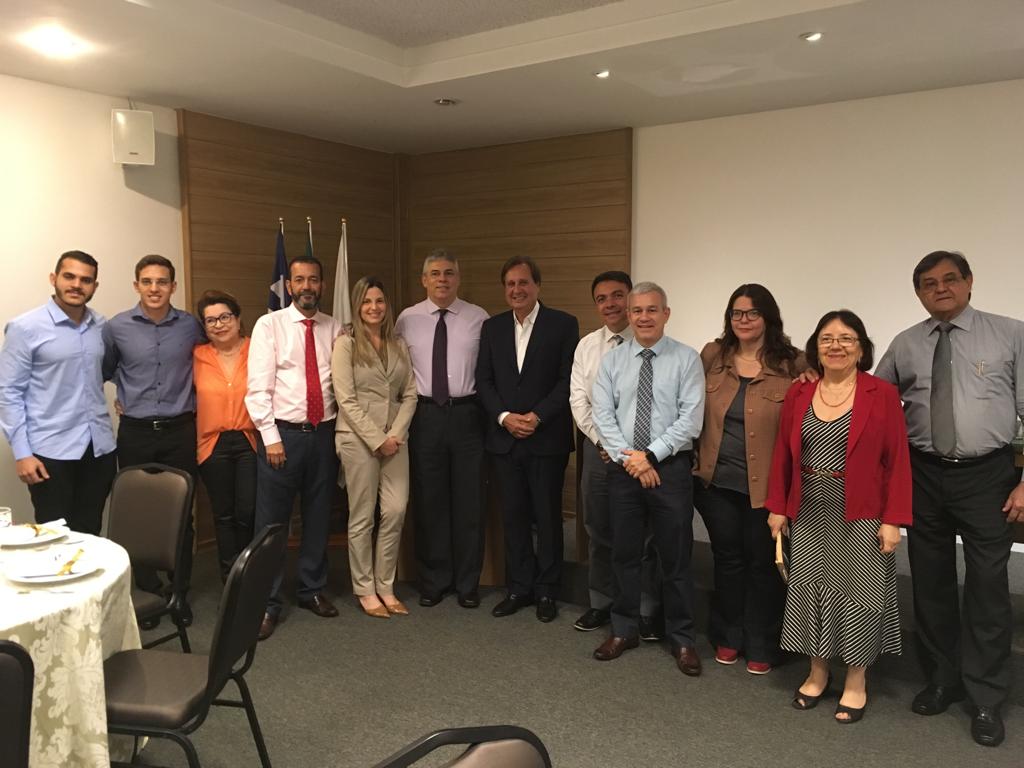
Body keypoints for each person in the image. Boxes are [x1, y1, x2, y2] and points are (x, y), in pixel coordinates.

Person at [875, 251, 1024, 747]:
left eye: (949, 279)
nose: (940, 288)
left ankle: (986, 695)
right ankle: (942, 677)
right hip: (923, 474)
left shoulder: (1010, 334)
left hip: (988, 477)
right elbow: (874, 400)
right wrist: (819, 378)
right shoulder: (906, 343)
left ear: (969, 282)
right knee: (931, 581)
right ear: (918, 292)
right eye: (928, 283)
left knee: (987, 586)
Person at [766, 309, 912, 723]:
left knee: (861, 596)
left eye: (846, 339)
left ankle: (856, 680)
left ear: (861, 348)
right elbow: (783, 454)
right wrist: (778, 507)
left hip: (863, 511)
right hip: (810, 508)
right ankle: (817, 672)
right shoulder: (800, 392)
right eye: (827, 339)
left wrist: (893, 520)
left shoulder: (882, 393)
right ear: (816, 347)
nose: (836, 346)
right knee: (811, 590)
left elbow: (898, 461)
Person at [591, 282, 706, 676]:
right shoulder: (613, 361)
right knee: (624, 554)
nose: (644, 317)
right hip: (625, 468)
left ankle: (682, 638)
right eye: (637, 310)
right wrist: (633, 460)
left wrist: (651, 455)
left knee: (675, 557)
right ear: (629, 315)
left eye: (652, 309)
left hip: (669, 469)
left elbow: (690, 419)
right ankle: (623, 630)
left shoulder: (687, 359)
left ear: (666, 314)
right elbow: (603, 415)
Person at [693, 284, 804, 674]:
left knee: (763, 563)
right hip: (717, 483)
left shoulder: (792, 363)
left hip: (766, 487)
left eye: (753, 313)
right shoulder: (713, 356)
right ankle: (728, 635)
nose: (744, 320)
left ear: (768, 318)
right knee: (727, 559)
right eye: (737, 313)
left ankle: (762, 641)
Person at [475, 256, 578, 623]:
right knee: (513, 516)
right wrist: (504, 417)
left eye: (523, 282)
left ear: (537, 285)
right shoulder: (492, 328)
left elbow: (567, 380)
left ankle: (547, 589)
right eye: (510, 284)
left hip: (545, 437)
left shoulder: (563, 324)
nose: (516, 290)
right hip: (505, 439)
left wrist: (536, 416)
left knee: (548, 517)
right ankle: (519, 587)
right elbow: (483, 381)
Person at [246, 256, 344, 641]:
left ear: (322, 285)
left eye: (313, 280)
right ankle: (265, 603)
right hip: (282, 436)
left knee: (318, 516)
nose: (307, 286)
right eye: (300, 280)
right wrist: (270, 437)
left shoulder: (335, 327)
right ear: (289, 286)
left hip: (324, 433)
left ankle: (311, 589)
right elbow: (258, 388)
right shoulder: (269, 325)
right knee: (272, 524)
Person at [103, 254, 204, 623]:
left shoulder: (191, 326)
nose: (154, 288)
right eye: (147, 281)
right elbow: (106, 368)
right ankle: (147, 591)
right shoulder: (116, 327)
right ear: (136, 286)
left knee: (182, 513)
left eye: (162, 281)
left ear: (173, 286)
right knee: (137, 513)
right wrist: (127, 393)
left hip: (180, 431)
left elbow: (209, 360)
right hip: (136, 433)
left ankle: (179, 593)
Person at [394, 250, 489, 608]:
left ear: (458, 278)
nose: (442, 279)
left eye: (449, 273)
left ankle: (467, 583)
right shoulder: (407, 319)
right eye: (435, 273)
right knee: (429, 500)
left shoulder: (479, 318)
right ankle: (433, 581)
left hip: (467, 416)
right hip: (425, 416)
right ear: (424, 280)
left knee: (469, 502)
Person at [570, 270, 662, 636]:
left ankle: (645, 608)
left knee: (646, 533)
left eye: (617, 295)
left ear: (631, 298)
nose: (610, 304)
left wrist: (633, 450)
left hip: (644, 454)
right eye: (601, 298)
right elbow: (579, 401)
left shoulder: (652, 344)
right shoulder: (587, 346)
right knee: (599, 527)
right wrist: (605, 443)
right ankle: (602, 602)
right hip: (599, 452)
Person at [0, 250, 116, 534]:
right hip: (49, 453)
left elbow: (110, 370)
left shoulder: (101, 326)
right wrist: (22, 454)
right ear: (54, 278)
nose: (77, 285)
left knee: (90, 531)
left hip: (98, 449)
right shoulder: (25, 328)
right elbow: (8, 392)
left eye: (85, 280)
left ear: (95, 286)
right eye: (69, 276)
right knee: (54, 535)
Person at [332, 276, 417, 618]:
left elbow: (410, 393)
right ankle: (365, 589)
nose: (374, 307)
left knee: (395, 510)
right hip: (358, 440)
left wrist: (393, 435)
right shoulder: (346, 344)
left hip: (396, 439)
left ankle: (386, 585)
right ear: (357, 305)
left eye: (379, 300)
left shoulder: (398, 344)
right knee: (362, 516)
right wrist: (377, 440)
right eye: (367, 301)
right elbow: (346, 399)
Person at [193, 290, 256, 582]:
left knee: (248, 511)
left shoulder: (258, 350)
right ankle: (230, 579)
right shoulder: (197, 356)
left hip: (249, 441)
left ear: (238, 319)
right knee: (223, 515)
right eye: (211, 320)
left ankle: (250, 575)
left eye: (224, 317)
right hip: (212, 444)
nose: (219, 324)